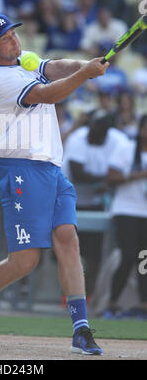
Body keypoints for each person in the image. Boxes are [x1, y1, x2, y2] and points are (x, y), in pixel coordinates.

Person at [0, 13, 109, 355]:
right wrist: (85, 74)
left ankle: (81, 330)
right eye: (6, 38)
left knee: (68, 239)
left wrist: (86, 63)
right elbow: (49, 94)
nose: (14, 41)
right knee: (25, 261)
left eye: (14, 34)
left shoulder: (24, 60)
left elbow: (56, 66)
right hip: (20, 169)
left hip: (51, 168)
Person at [61, 111, 128, 298]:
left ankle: (87, 294)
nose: (93, 133)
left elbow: (124, 170)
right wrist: (105, 181)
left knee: (94, 254)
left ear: (107, 132)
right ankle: (66, 295)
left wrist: (109, 182)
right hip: (69, 200)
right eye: (92, 128)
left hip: (96, 203)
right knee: (68, 250)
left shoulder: (118, 140)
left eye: (98, 131)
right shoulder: (77, 138)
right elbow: (78, 174)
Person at [103, 114, 147, 320]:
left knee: (144, 258)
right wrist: (136, 175)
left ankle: (143, 306)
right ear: (140, 129)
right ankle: (111, 305)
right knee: (129, 255)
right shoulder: (126, 148)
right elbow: (110, 177)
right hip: (126, 208)